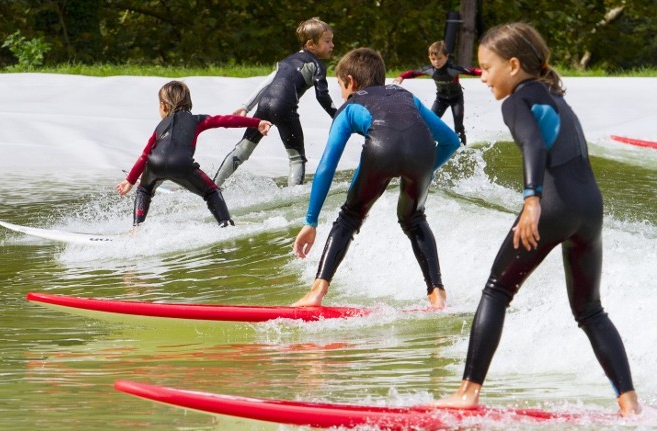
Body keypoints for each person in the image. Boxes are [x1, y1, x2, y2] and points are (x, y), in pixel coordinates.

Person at [435, 23, 641, 416]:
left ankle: (467, 394)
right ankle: (629, 404)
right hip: (589, 209)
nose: (482, 76)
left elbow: (532, 143)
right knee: (590, 310)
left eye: (486, 67)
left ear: (513, 65)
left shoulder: (516, 101)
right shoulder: (556, 97)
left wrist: (532, 200)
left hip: (554, 204)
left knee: (497, 290)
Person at [292, 48, 460, 309]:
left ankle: (316, 293)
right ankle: (437, 295)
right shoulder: (405, 94)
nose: (341, 93)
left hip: (380, 151)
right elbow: (450, 141)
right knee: (413, 218)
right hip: (423, 152)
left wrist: (311, 221)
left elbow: (327, 166)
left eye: (340, 86)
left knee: (349, 217)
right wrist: (425, 171)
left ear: (350, 81)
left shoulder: (349, 107)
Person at [116, 81, 272, 227]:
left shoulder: (159, 128)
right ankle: (225, 224)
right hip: (182, 164)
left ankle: (136, 228)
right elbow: (225, 121)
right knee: (212, 192)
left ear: (163, 106)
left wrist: (130, 180)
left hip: (154, 163)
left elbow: (144, 155)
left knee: (144, 191)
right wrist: (257, 122)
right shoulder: (197, 120)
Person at [213, 17, 337, 188]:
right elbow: (322, 96)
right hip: (285, 109)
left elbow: (267, 83)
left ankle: (213, 187)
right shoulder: (317, 65)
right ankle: (293, 197)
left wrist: (246, 106)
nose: (332, 45)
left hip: (263, 105)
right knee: (296, 158)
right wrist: (337, 116)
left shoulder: (286, 61)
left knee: (243, 149)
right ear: (311, 44)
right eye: (328, 41)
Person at [393, 40, 481, 145]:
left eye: (440, 58)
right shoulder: (429, 70)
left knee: (458, 126)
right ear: (429, 58)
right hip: (441, 100)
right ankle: (427, 144)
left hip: (456, 99)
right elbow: (413, 73)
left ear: (446, 56)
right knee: (429, 123)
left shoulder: (453, 69)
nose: (437, 62)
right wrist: (402, 76)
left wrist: (486, 72)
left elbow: (472, 71)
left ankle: (462, 149)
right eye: (433, 59)